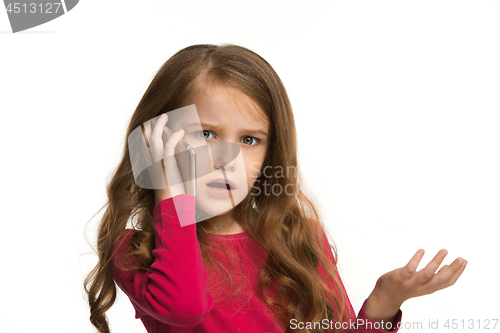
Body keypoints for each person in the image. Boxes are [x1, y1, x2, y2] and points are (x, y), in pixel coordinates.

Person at [83, 44, 467, 333]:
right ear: (156, 140)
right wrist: (170, 191)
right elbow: (185, 308)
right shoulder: (137, 250)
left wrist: (385, 300)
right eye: (205, 133)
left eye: (249, 140)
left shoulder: (295, 238)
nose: (226, 158)